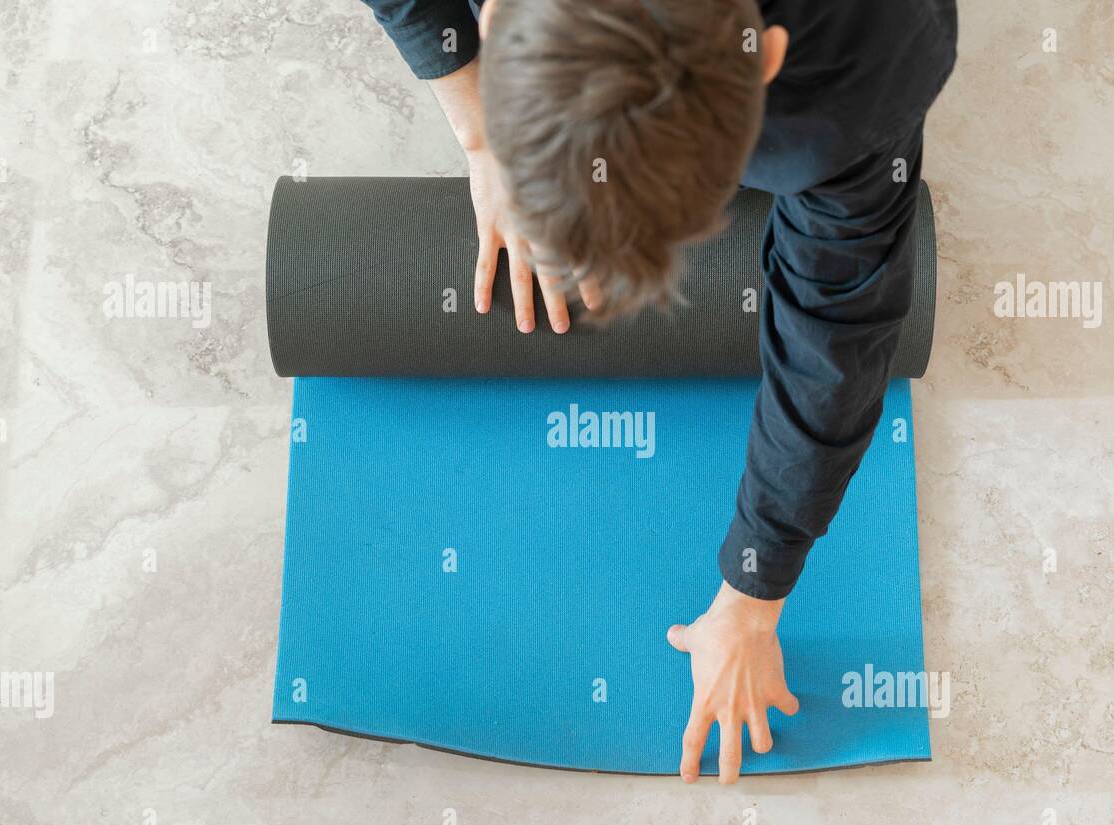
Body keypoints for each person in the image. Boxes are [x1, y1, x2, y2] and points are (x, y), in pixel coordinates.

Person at [360, 0, 957, 783]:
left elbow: (834, 332)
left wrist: (753, 593)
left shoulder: (866, 59)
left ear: (768, 57)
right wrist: (480, 129)